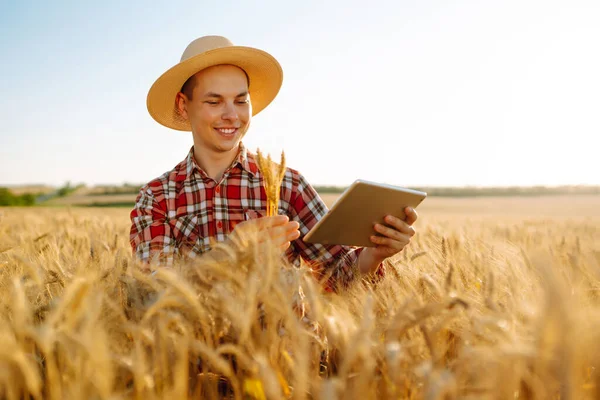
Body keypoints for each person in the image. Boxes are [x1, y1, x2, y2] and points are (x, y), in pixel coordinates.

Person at [129, 35, 418, 292]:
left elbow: (338, 277)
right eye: (214, 102)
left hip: (285, 352)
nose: (232, 115)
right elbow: (153, 294)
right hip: (190, 353)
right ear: (183, 104)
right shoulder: (157, 198)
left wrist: (374, 255)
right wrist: (231, 255)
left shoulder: (286, 185)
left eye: (241, 101)